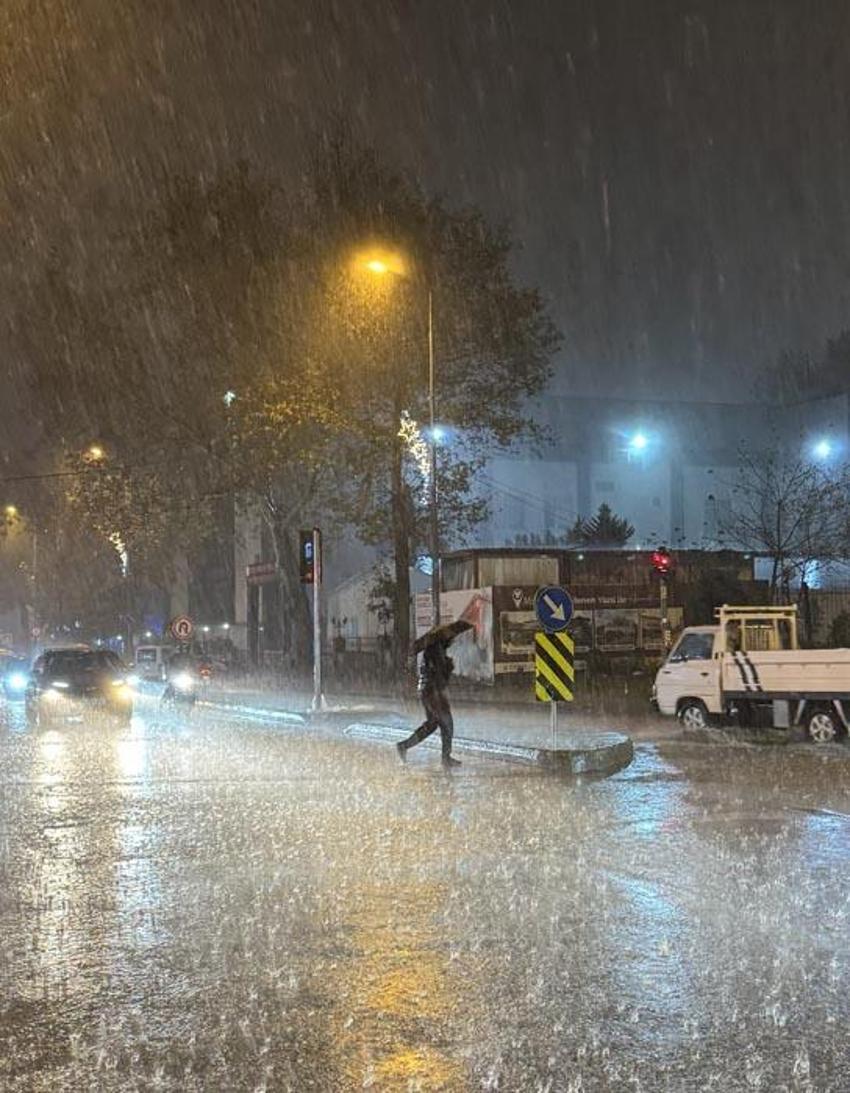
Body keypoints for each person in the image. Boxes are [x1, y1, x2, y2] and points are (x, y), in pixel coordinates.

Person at [396, 638, 461, 768]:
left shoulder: (432, 650)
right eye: (450, 638)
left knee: (432, 724)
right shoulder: (436, 650)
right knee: (447, 723)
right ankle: (445, 758)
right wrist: (448, 666)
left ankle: (404, 745)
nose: (452, 640)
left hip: (427, 690)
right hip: (433, 691)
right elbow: (439, 676)